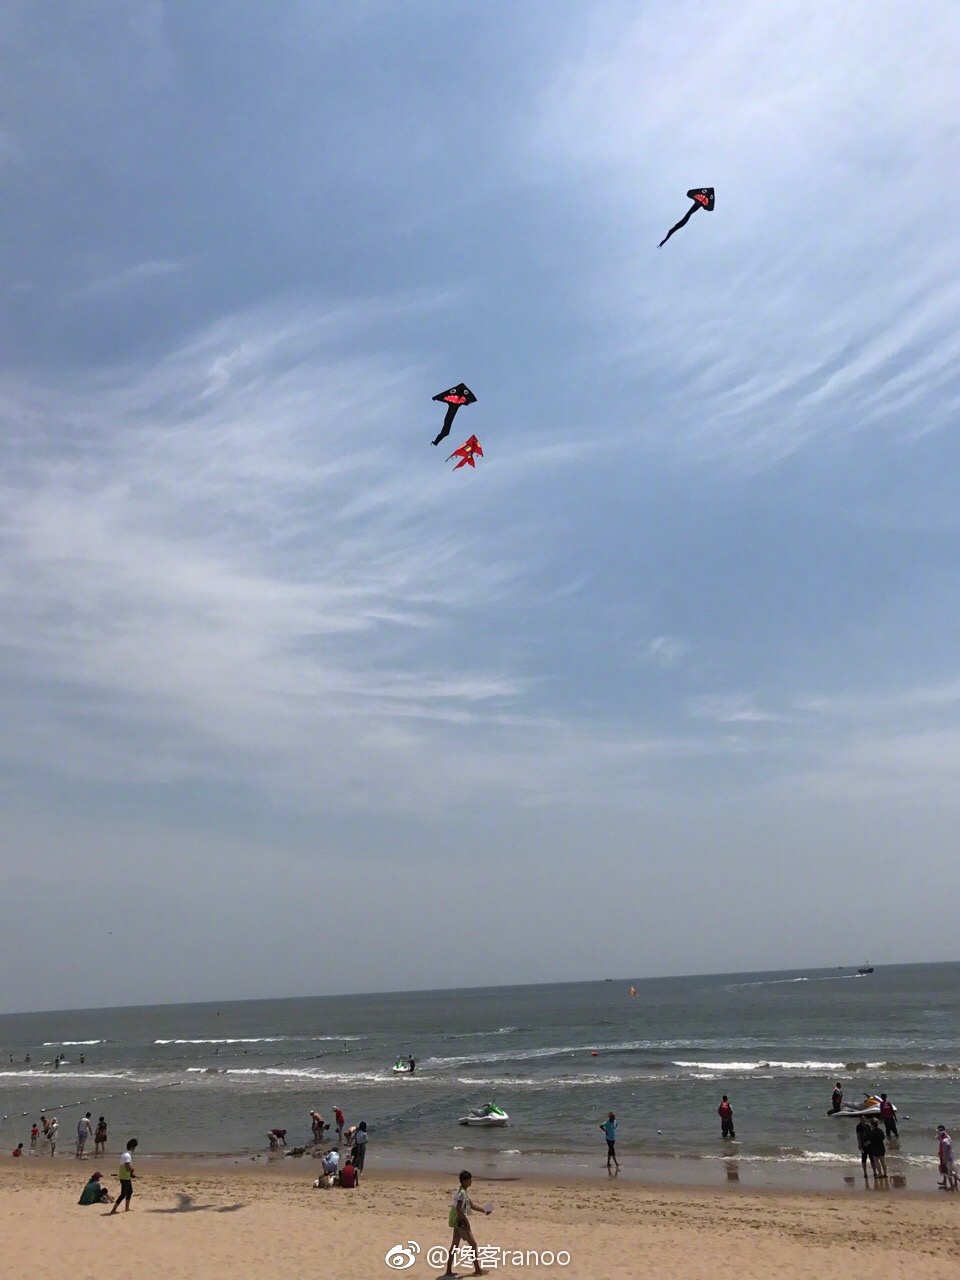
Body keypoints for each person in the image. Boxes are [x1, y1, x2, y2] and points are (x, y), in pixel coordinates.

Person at [444, 1170, 488, 1277]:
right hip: (460, 1223)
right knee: (473, 1244)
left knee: (454, 1246)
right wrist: (466, 1221)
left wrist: (484, 1210)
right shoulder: (462, 1193)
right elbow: (459, 1209)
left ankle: (448, 1271)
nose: (471, 1181)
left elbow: (471, 1204)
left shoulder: (461, 1191)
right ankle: (477, 1270)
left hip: (456, 1222)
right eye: (469, 1180)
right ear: (464, 1181)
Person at [109, 1139, 138, 1213]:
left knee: (130, 1192)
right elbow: (127, 1166)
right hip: (124, 1176)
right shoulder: (127, 1155)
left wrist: (131, 1173)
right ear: (132, 1147)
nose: (134, 1149)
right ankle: (114, 1209)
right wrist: (132, 1170)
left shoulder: (125, 1154)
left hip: (125, 1176)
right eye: (134, 1147)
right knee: (123, 1194)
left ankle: (127, 1208)